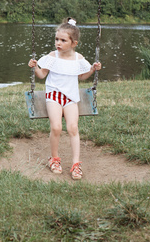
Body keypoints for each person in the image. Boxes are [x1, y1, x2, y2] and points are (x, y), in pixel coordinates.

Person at [28, 17, 102, 180]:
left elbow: (82, 77)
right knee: (56, 128)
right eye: (56, 39)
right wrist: (35, 67)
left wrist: (92, 69)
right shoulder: (52, 56)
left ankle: (76, 163)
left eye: (63, 40)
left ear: (73, 43)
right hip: (53, 96)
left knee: (72, 128)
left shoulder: (78, 58)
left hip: (70, 98)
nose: (58, 43)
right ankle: (54, 159)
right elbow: (42, 75)